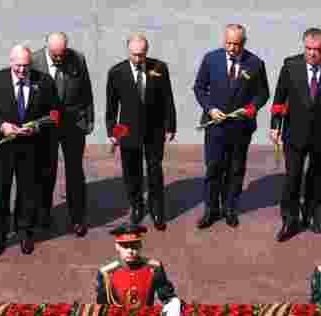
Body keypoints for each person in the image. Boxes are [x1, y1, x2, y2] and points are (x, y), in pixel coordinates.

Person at [0, 45, 60, 257]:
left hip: (31, 148)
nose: (22, 70)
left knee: (28, 193)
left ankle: (25, 233)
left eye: (26, 66)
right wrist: (2, 125)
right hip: (1, 149)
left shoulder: (44, 81)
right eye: (18, 66)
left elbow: (54, 113)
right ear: (10, 62)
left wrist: (37, 126)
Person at [270, 28, 321, 241]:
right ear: (303, 46)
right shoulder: (290, 65)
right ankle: (289, 219)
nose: (312, 53)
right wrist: (275, 124)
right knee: (292, 177)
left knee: (318, 176)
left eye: (317, 49)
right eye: (308, 49)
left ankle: (311, 214)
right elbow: (280, 97)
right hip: (294, 132)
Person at [192, 24, 270, 229]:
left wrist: (252, 108)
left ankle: (230, 208)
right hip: (215, 125)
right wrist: (210, 109)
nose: (232, 48)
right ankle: (211, 209)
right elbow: (199, 87)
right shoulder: (211, 59)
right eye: (228, 43)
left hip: (241, 126)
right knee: (213, 168)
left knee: (235, 169)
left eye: (236, 44)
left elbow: (263, 93)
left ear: (243, 43)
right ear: (223, 40)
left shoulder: (255, 63)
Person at [105, 34, 177, 230]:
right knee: (131, 171)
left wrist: (171, 125)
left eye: (142, 54)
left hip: (154, 129)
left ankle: (157, 210)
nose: (138, 59)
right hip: (127, 130)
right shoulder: (116, 72)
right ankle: (137, 206)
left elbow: (167, 98)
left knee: (155, 170)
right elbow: (111, 105)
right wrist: (112, 130)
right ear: (129, 52)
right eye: (135, 55)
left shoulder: (159, 68)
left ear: (147, 51)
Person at [31, 32, 94, 236]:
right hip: (47, 124)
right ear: (47, 48)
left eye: (62, 54)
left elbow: (86, 89)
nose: (59, 59)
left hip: (73, 122)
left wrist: (89, 119)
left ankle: (78, 217)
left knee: (75, 171)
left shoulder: (78, 59)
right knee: (45, 170)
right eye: (55, 55)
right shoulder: (33, 61)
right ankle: (44, 215)